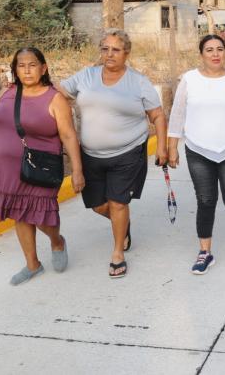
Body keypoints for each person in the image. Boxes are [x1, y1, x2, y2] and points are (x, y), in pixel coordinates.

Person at [0, 48, 84, 286]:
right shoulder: (7, 92)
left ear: (43, 68)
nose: (27, 70)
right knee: (19, 212)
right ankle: (32, 264)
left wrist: (77, 170)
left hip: (40, 168)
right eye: (21, 65)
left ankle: (57, 241)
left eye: (32, 65)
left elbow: (68, 135)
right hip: (6, 167)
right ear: (15, 70)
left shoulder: (54, 98)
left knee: (42, 214)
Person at [60, 29, 168, 279]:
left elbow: (157, 115)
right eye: (105, 49)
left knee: (118, 203)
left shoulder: (138, 81)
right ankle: (122, 224)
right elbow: (58, 92)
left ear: (126, 53)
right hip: (90, 154)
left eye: (116, 50)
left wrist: (162, 146)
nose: (109, 54)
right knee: (99, 206)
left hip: (128, 152)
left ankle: (118, 252)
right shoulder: (86, 76)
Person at [167, 35, 225, 275]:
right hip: (198, 150)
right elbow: (177, 113)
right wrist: (172, 147)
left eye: (220, 49)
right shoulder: (189, 79)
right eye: (209, 50)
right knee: (206, 200)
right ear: (201, 54)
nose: (215, 54)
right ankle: (205, 252)